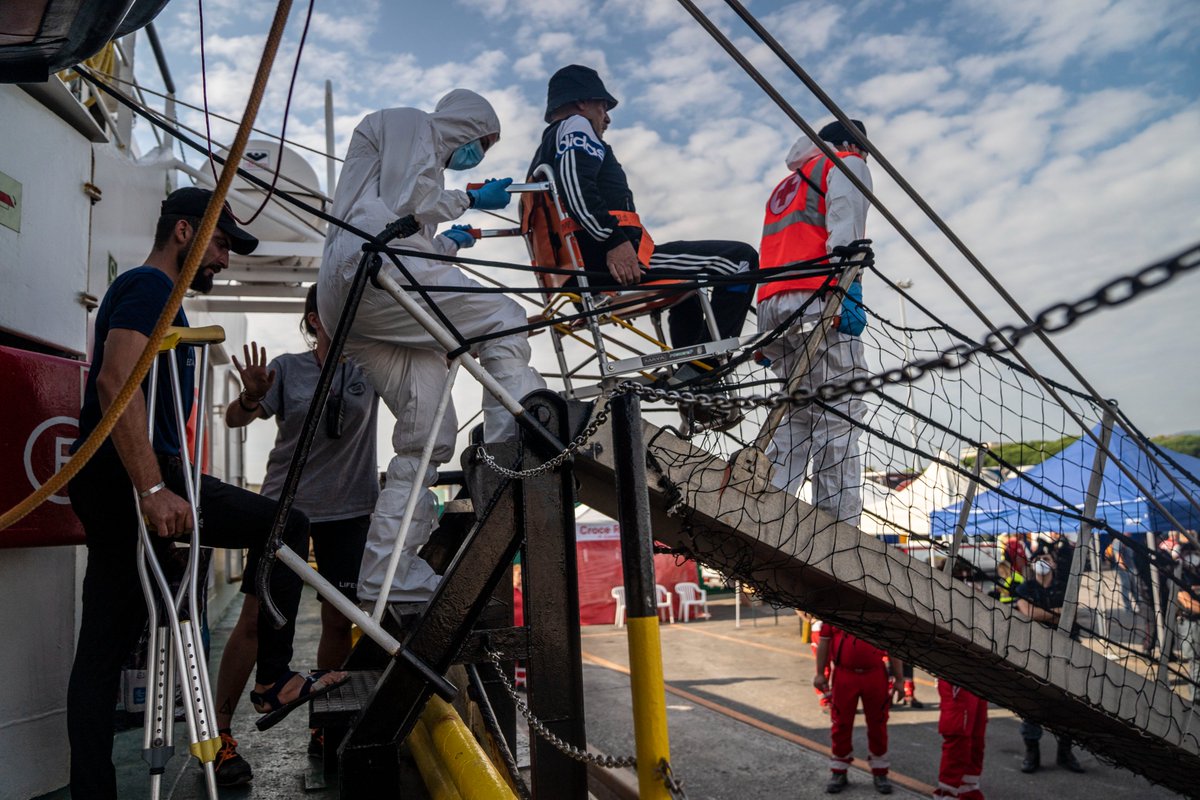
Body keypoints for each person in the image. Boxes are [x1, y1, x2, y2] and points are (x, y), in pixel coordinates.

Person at [66, 188, 345, 797]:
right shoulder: (149, 288)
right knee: (286, 524)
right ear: (185, 233)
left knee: (104, 646)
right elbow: (117, 379)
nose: (224, 259)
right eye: (219, 243)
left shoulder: (165, 299)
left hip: (137, 474)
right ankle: (271, 678)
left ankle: (93, 790)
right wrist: (153, 487)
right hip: (133, 476)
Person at [317, 89, 546, 610]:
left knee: (427, 433)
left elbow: (406, 229)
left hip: (357, 303)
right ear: (466, 125)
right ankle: (517, 440)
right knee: (503, 317)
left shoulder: (419, 157)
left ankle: (387, 574)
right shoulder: (410, 123)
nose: (478, 155)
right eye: (482, 143)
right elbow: (404, 207)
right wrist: (468, 198)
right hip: (370, 272)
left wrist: (451, 241)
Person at [528, 64, 758, 424]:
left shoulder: (551, 143)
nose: (607, 119)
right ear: (584, 102)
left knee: (686, 290)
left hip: (590, 267)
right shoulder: (574, 127)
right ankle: (702, 375)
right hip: (607, 263)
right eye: (604, 108)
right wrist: (614, 240)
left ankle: (693, 376)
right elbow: (575, 187)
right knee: (740, 261)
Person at [214, 283, 380, 761]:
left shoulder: (370, 369)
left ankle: (322, 725)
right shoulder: (287, 369)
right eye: (332, 310)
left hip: (350, 512)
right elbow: (233, 420)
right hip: (286, 513)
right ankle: (221, 737)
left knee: (336, 619)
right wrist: (250, 397)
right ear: (313, 320)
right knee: (254, 622)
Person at [756, 119, 871, 525]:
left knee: (798, 415)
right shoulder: (846, 164)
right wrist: (848, 293)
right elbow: (847, 237)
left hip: (773, 308)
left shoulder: (788, 184)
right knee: (839, 413)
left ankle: (767, 511)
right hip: (816, 300)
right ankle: (839, 531)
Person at [1013, 557, 1084, 774]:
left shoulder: (1064, 587)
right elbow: (1028, 613)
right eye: (1037, 560)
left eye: (1046, 559)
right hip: (1035, 650)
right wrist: (1056, 614)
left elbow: (1071, 614)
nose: (1041, 563)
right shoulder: (1025, 587)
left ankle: (1065, 752)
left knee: (1067, 704)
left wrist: (1045, 615)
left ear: (1053, 564)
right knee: (1034, 704)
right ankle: (1032, 753)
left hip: (1066, 651)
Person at [813, 624, 904, 794]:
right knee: (841, 723)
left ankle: (880, 772)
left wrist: (899, 679)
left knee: (878, 723)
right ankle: (839, 771)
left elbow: (893, 646)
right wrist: (820, 673)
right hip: (844, 675)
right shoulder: (835, 609)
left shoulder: (877, 614)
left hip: (875, 675)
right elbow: (824, 642)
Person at [1175, 542, 1200, 701]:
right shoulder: (1178, 573)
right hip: (1190, 625)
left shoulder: (1197, 571)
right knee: (1196, 663)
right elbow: (1187, 602)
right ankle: (1196, 701)